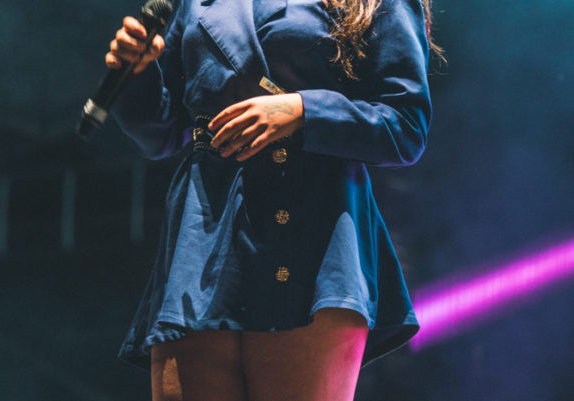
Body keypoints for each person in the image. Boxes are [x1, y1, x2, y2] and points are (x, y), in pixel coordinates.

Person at [105, 0, 441, 400]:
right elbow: (161, 135)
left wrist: (302, 111)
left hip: (312, 231)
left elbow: (405, 125)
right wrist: (137, 74)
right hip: (205, 234)